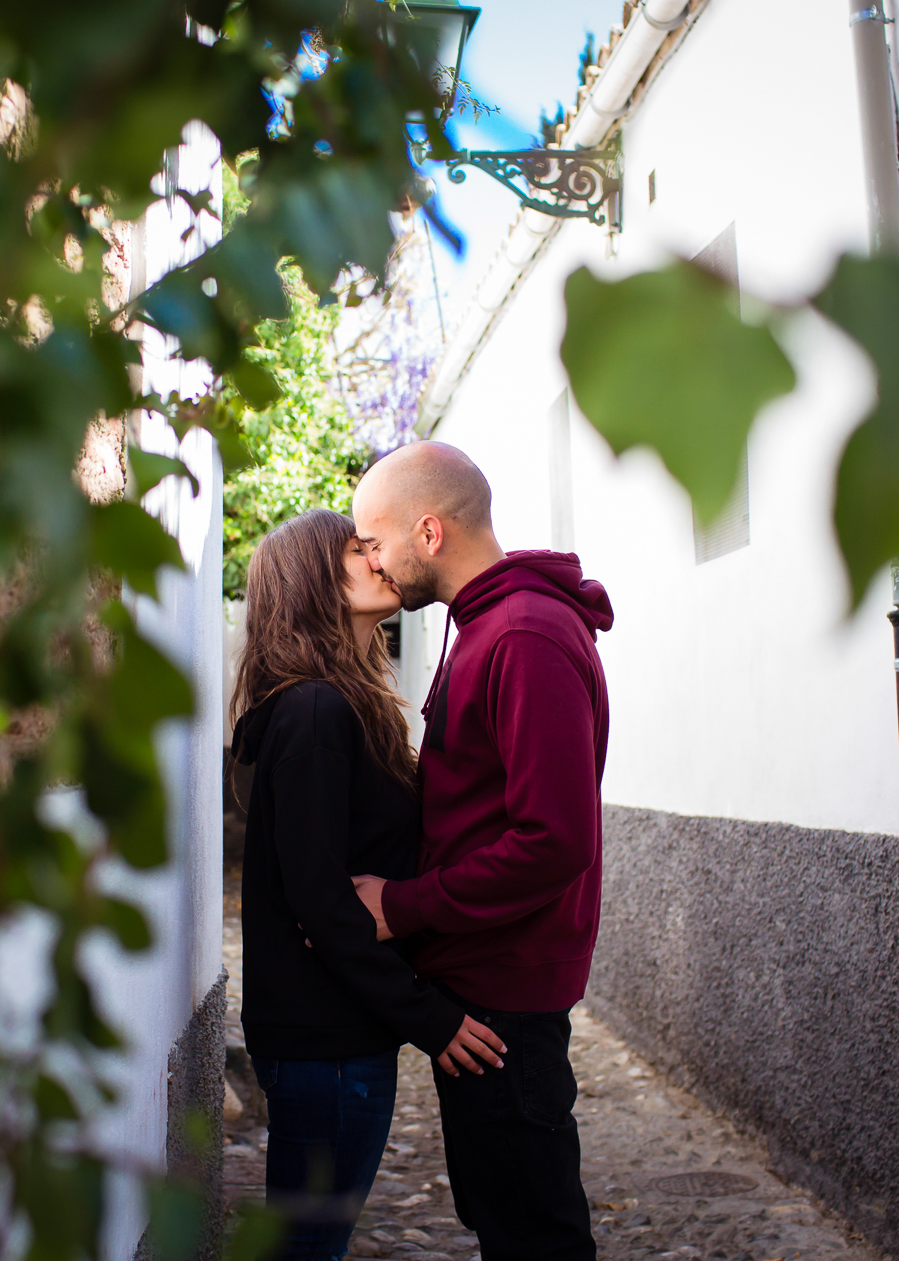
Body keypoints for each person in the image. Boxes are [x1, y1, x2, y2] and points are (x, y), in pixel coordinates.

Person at [347, 442, 614, 1261]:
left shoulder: (524, 634)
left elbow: (553, 838)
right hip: (482, 983)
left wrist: (402, 905)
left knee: (536, 1237)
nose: (375, 564)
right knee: (506, 1223)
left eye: (376, 542)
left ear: (428, 531)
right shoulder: (486, 626)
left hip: (508, 1001)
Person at [230, 508, 507, 1261]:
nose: (380, 560)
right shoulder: (314, 710)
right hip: (328, 1043)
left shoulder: (336, 705)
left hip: (335, 1037)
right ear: (314, 580)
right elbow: (321, 900)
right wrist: (434, 1020)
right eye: (358, 551)